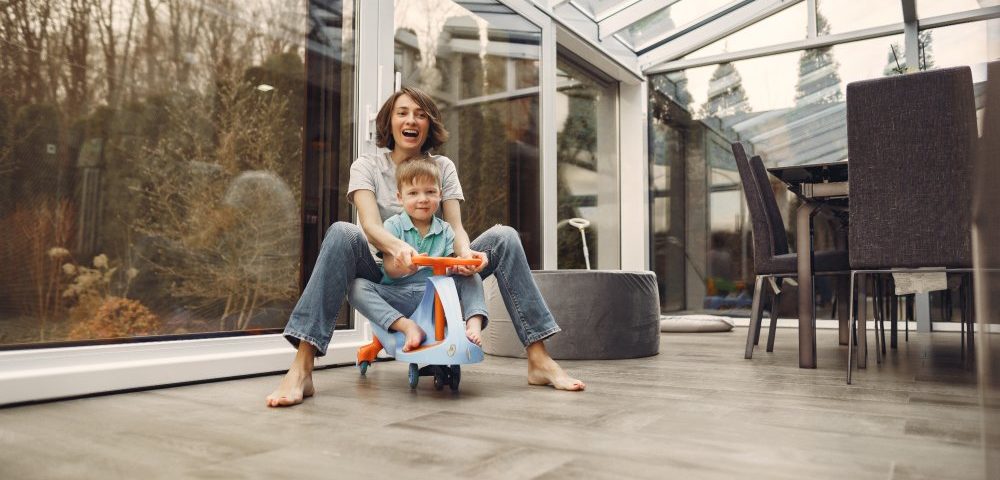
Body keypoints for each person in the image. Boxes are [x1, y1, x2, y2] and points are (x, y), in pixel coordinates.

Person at [266, 86, 585, 408]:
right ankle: (303, 366)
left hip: (439, 269)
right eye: (403, 113)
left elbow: (456, 226)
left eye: (420, 115)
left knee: (504, 236)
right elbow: (371, 226)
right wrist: (398, 249)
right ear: (389, 122)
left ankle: (539, 359)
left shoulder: (442, 167)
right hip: (384, 271)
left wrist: (465, 256)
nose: (412, 120)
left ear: (429, 124)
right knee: (341, 232)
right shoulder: (366, 166)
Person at [347, 158, 487, 349]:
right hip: (399, 294)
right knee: (356, 287)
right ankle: (406, 326)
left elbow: (449, 265)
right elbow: (388, 270)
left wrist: (457, 266)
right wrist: (401, 267)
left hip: (435, 295)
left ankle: (473, 324)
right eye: (413, 193)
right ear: (400, 198)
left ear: (440, 195)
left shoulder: (446, 230)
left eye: (430, 192)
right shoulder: (393, 226)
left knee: (472, 278)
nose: (423, 199)